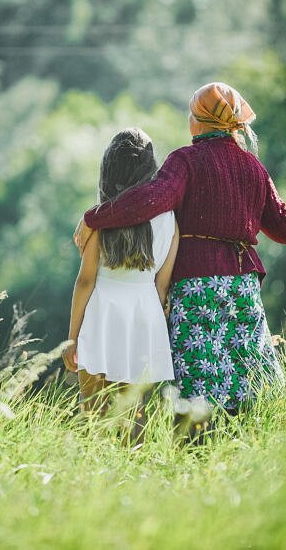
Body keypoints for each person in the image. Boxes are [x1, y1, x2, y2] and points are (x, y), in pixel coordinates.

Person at [74, 82, 286, 422]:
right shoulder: (252, 167)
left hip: (196, 286)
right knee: (247, 374)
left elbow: (148, 201)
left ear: (198, 121)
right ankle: (250, 441)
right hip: (242, 286)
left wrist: (93, 217)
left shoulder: (184, 161)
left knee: (198, 378)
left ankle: (197, 446)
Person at [62, 128, 180, 434]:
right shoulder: (169, 220)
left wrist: (72, 339)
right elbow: (162, 285)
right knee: (134, 417)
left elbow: (85, 281)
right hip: (143, 316)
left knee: (93, 415)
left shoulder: (100, 222)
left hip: (102, 314)